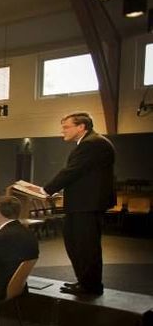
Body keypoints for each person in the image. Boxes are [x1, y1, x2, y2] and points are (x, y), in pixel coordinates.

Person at [43, 112, 116, 296]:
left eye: (66, 127)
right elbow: (83, 175)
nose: (63, 131)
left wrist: (47, 189)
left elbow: (72, 171)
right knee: (76, 243)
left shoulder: (92, 144)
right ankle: (84, 282)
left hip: (87, 205)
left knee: (86, 246)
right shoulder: (90, 143)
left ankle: (91, 286)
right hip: (83, 204)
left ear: (81, 127)